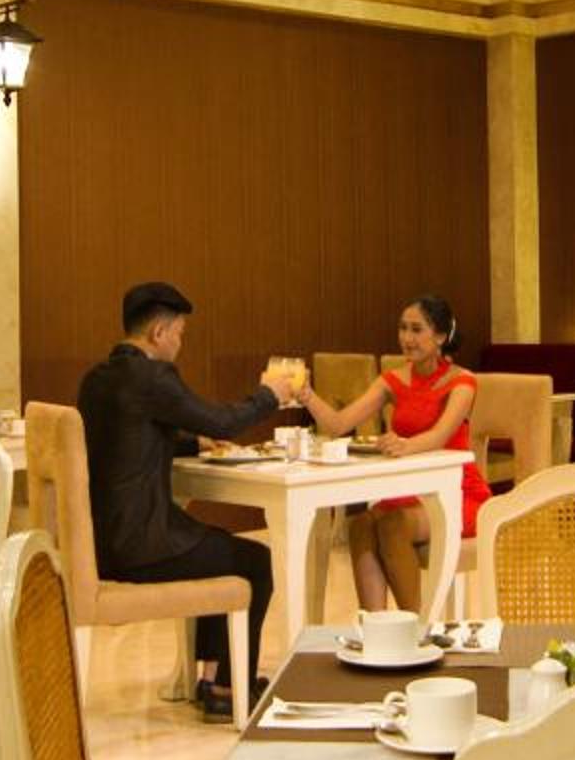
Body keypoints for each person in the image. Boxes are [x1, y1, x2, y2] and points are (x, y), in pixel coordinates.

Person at [78, 281, 297, 723]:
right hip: (140, 548)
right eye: (179, 333)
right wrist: (269, 395)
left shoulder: (97, 380)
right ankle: (227, 688)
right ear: (159, 332)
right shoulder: (153, 377)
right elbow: (221, 420)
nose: (180, 343)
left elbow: (125, 442)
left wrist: (193, 443)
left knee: (219, 548)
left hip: (99, 546)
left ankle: (212, 680)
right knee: (253, 561)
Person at [296, 295, 489, 614]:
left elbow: (440, 436)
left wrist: (404, 445)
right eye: (402, 328)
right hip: (407, 491)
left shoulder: (462, 382)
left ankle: (417, 629)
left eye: (417, 329)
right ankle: (378, 629)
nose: (407, 338)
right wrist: (307, 396)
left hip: (456, 494)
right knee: (360, 525)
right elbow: (338, 424)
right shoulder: (393, 380)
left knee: (392, 525)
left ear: (440, 336)